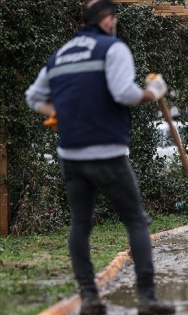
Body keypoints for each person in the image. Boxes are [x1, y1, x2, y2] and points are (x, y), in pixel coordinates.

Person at [25, 1, 175, 314]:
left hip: (71, 155)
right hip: (108, 152)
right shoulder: (113, 48)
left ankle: (90, 298)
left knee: (80, 224)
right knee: (135, 221)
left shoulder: (61, 54)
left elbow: (33, 97)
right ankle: (147, 298)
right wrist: (153, 92)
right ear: (107, 21)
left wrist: (58, 113)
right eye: (114, 19)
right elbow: (124, 93)